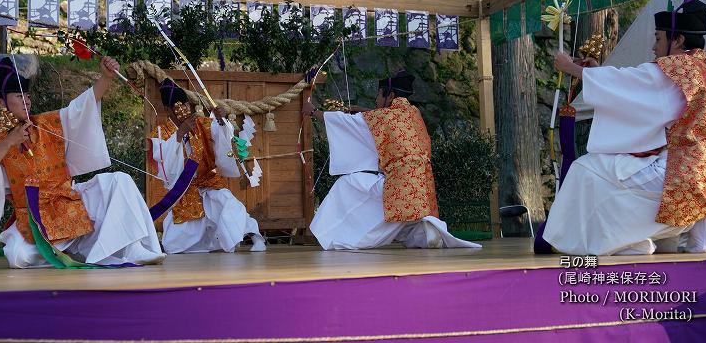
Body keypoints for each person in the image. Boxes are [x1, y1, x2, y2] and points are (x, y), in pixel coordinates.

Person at [542, 0, 706, 255]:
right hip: (702, 174)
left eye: (658, 38)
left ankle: (627, 240)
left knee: (587, 169)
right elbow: (640, 92)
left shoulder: (678, 66)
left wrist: (574, 69)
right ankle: (694, 235)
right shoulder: (702, 71)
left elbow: (631, 86)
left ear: (677, 40)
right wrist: (596, 73)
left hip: (677, 171)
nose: (654, 47)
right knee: (608, 170)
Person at [0, 56, 165, 268]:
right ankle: (73, 250)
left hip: (69, 201)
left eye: (28, 95)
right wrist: (8, 142)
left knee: (119, 181)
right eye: (18, 95)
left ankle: (132, 247)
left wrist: (105, 78)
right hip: (32, 217)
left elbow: (80, 108)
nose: (27, 101)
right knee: (18, 255)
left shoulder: (45, 124)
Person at [305, 70, 481, 250]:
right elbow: (387, 117)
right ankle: (428, 231)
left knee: (348, 184)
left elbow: (344, 123)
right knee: (408, 226)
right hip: (423, 187)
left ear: (391, 96)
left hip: (399, 184)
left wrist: (314, 111)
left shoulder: (382, 118)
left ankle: (339, 235)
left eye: (379, 96)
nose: (376, 101)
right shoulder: (414, 114)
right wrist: (365, 111)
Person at [147, 79, 265, 253]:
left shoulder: (201, 123)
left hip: (208, 180)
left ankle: (255, 236)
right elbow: (164, 162)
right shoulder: (160, 133)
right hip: (184, 190)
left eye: (185, 104)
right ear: (167, 110)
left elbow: (221, 136)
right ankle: (206, 244)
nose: (182, 109)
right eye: (176, 107)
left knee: (227, 203)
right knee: (174, 244)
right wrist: (180, 133)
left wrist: (221, 119)